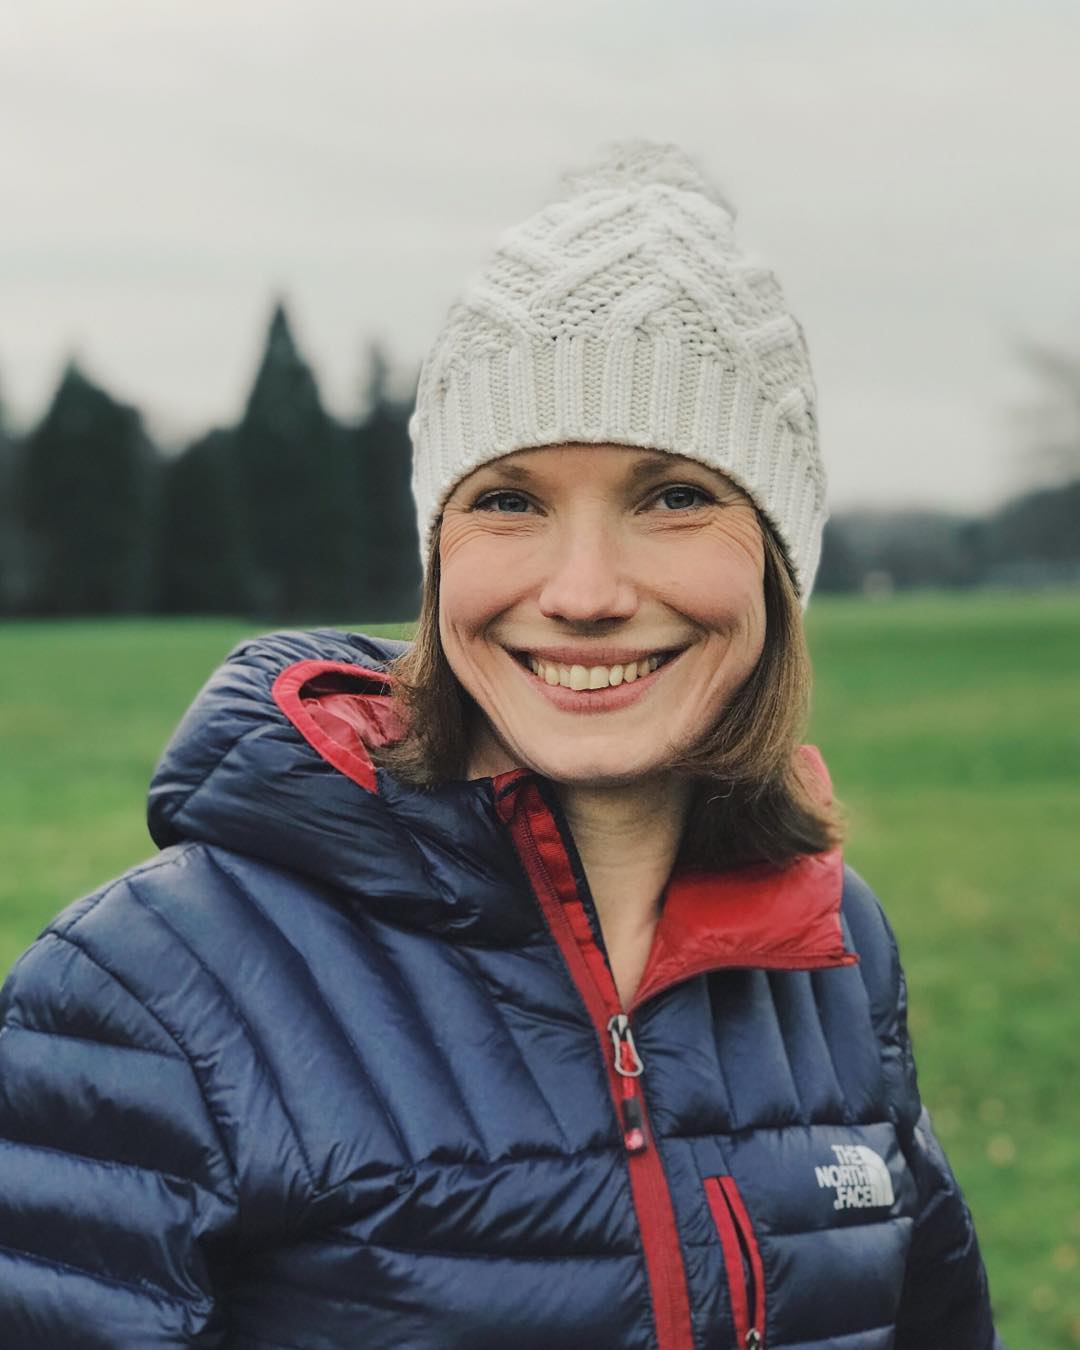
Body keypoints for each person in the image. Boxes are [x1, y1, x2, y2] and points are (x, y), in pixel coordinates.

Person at [0, 140, 1001, 1349]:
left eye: (674, 494)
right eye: (509, 500)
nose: (581, 591)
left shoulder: (838, 947)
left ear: (782, 563)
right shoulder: (148, 994)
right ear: (436, 557)